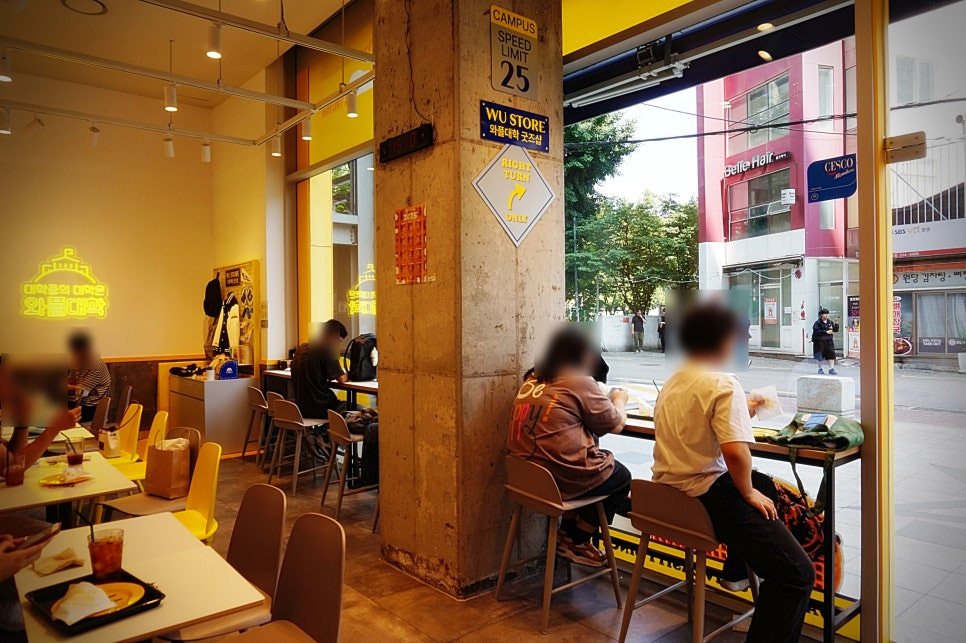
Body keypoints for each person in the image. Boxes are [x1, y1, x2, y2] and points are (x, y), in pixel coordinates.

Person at [651, 302, 814, 643]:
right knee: (796, 574)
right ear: (723, 339)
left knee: (762, 483)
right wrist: (747, 492)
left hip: (670, 496)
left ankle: (737, 571)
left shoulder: (675, 381)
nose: (743, 343)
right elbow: (735, 453)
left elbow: (698, 431)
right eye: (741, 337)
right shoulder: (724, 384)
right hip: (706, 497)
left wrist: (745, 411)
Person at [507, 326, 630, 567]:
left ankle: (567, 535)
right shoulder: (578, 381)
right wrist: (620, 400)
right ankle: (577, 539)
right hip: (558, 479)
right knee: (620, 476)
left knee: (590, 466)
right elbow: (615, 424)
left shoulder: (531, 379)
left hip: (527, 479)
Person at [291, 319, 378, 480]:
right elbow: (342, 379)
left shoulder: (302, 348)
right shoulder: (325, 350)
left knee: (348, 411)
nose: (337, 345)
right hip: (321, 406)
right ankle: (323, 434)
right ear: (333, 336)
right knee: (363, 411)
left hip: (300, 407)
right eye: (338, 340)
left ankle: (324, 435)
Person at [67, 331, 111, 424]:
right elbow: (70, 383)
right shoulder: (76, 362)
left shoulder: (96, 365)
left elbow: (82, 392)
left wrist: (75, 387)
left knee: (57, 416)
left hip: (91, 407)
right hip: (76, 402)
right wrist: (75, 387)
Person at [812, 308, 839, 374]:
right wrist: (826, 332)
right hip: (819, 342)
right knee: (819, 356)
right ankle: (820, 369)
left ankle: (831, 369)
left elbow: (835, 330)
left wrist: (836, 323)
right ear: (821, 315)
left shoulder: (830, 322)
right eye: (825, 314)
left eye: (827, 314)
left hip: (829, 341)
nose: (826, 315)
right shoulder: (817, 323)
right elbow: (816, 331)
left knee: (831, 355)